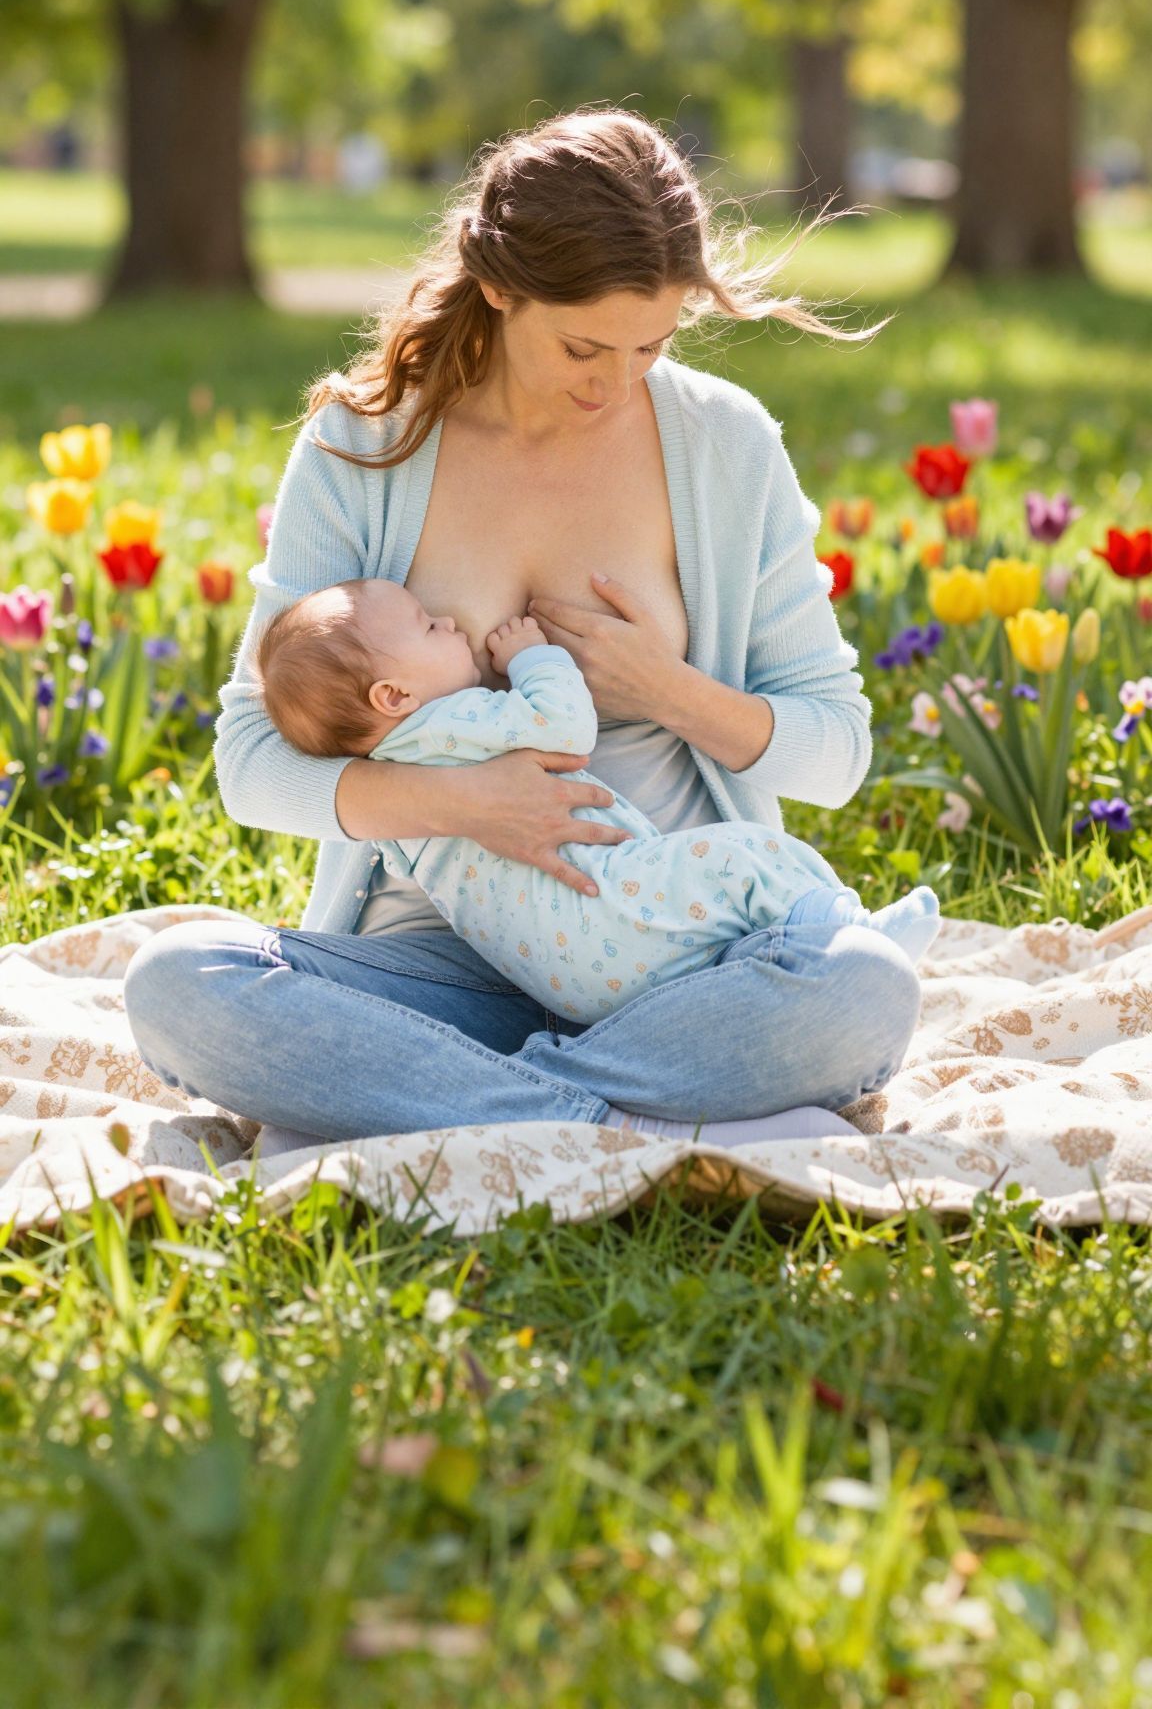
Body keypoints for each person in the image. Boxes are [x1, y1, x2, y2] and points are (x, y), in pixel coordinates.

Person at [123, 106, 926, 1147]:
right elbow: (250, 762)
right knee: (179, 983)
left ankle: (470, 1101)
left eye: (653, 343)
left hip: (680, 955)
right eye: (583, 344)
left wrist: (665, 688)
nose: (616, 381)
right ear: (500, 285)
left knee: (864, 987)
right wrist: (461, 802)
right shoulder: (367, 442)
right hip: (448, 959)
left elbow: (837, 754)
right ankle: (606, 1112)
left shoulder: (725, 445)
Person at [253, 577, 942, 1025]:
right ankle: (849, 935)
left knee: (825, 1015)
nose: (448, 621)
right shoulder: (450, 725)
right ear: (394, 698)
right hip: (610, 907)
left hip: (568, 975)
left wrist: (669, 688)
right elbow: (563, 729)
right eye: (430, 628)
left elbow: (839, 748)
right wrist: (533, 660)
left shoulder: (392, 781)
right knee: (747, 859)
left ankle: (568, 1081)